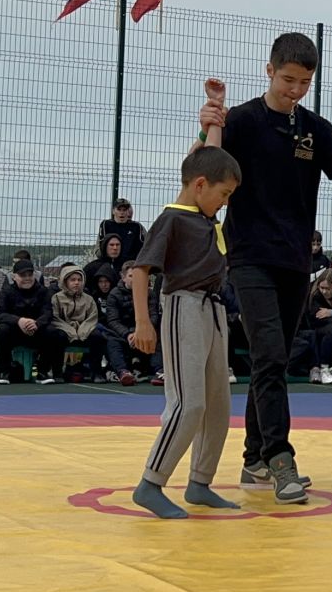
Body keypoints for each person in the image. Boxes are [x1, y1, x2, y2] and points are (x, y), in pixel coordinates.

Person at [197, 33, 332, 503]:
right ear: (269, 71)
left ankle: (253, 460)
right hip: (248, 258)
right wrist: (209, 125)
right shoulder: (240, 120)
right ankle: (282, 460)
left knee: (276, 360)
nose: (295, 90)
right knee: (268, 356)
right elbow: (199, 174)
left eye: (305, 82)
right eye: (288, 80)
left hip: (294, 262)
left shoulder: (313, 129)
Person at [129, 145, 245, 518]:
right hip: (183, 306)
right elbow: (143, 270)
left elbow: (208, 156)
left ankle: (199, 481)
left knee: (217, 404)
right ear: (199, 186)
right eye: (223, 194)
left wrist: (212, 119)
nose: (225, 203)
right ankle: (150, 483)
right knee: (188, 402)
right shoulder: (173, 219)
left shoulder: (202, 217)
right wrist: (143, 322)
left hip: (212, 309)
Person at [0, 259, 63, 384]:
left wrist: (36, 323)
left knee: (53, 332)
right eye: (22, 275)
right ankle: (4, 371)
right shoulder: (7, 292)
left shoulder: (43, 291)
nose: (27, 278)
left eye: (29, 275)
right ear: (14, 277)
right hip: (14, 333)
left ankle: (42, 371)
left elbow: (48, 313)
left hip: (36, 333)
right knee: (1, 330)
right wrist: (18, 321)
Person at [51, 265, 100, 382]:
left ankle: (97, 373)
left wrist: (82, 331)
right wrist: (70, 331)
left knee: (98, 337)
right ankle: (57, 373)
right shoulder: (56, 298)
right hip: (65, 330)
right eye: (72, 280)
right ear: (65, 281)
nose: (76, 283)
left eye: (79, 280)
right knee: (57, 337)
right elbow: (55, 318)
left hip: (84, 331)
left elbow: (92, 318)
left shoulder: (89, 299)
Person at [97, 262, 143, 386]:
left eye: (139, 276)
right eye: (131, 276)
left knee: (159, 336)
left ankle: (160, 371)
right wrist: (128, 334)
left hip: (141, 331)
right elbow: (113, 320)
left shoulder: (148, 294)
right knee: (112, 341)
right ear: (123, 277)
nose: (135, 279)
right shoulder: (114, 295)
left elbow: (153, 315)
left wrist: (139, 331)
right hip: (122, 333)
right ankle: (123, 372)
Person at [99, 198, 147, 269]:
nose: (122, 212)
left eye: (124, 210)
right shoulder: (106, 225)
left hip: (131, 266)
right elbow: (99, 247)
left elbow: (146, 245)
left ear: (128, 212)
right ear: (113, 211)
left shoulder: (137, 227)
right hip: (110, 265)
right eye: (119, 209)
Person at [84, 235, 126, 301]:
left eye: (117, 245)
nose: (115, 248)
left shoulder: (126, 266)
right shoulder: (92, 267)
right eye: (111, 245)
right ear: (105, 246)